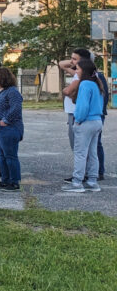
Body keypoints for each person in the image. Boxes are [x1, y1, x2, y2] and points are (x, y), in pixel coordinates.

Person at [63, 58, 104, 193]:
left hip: (85, 122)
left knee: (80, 153)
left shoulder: (85, 84)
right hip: (97, 121)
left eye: (78, 69)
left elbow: (82, 105)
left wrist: (78, 120)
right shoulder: (95, 83)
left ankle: (77, 183)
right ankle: (92, 181)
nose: (76, 71)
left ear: (84, 71)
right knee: (92, 153)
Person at [0, 67, 23, 191]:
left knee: (10, 156)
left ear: (2, 77)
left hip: (9, 129)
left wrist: (5, 121)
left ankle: (14, 182)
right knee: (2, 155)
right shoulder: (0, 91)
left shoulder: (12, 91)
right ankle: (5, 180)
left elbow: (16, 107)